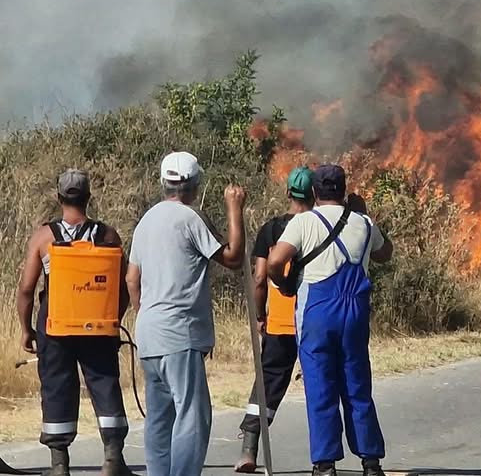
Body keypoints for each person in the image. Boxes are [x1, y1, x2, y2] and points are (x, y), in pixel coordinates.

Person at [267, 164, 393, 476]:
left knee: (320, 386)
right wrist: (363, 213)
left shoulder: (304, 222)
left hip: (317, 312)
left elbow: (275, 261)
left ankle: (325, 465)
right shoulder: (363, 222)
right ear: (344, 189)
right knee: (357, 384)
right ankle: (371, 462)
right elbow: (384, 253)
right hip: (355, 312)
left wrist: (283, 285)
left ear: (314, 192)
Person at [125, 151, 246, 476]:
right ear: (194, 184)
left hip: (150, 333)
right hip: (180, 333)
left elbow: (132, 279)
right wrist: (234, 209)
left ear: (163, 183)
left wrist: (146, 315)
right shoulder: (190, 218)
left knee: (160, 418)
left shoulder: (146, 221)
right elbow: (233, 258)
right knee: (193, 415)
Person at [15, 169, 135, 476]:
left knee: (56, 387)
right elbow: (123, 288)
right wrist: (113, 320)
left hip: (56, 325)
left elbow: (26, 289)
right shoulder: (108, 235)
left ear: (59, 198)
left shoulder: (44, 237)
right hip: (97, 323)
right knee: (105, 383)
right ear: (88, 197)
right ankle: (113, 459)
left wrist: (27, 329)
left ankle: (59, 465)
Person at [234, 166, 316, 473]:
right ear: (314, 194)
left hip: (280, 321)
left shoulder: (270, 230)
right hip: (314, 319)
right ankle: (329, 458)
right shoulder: (320, 226)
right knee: (323, 384)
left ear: (288, 193)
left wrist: (260, 316)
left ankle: (249, 449)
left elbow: (259, 279)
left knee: (268, 382)